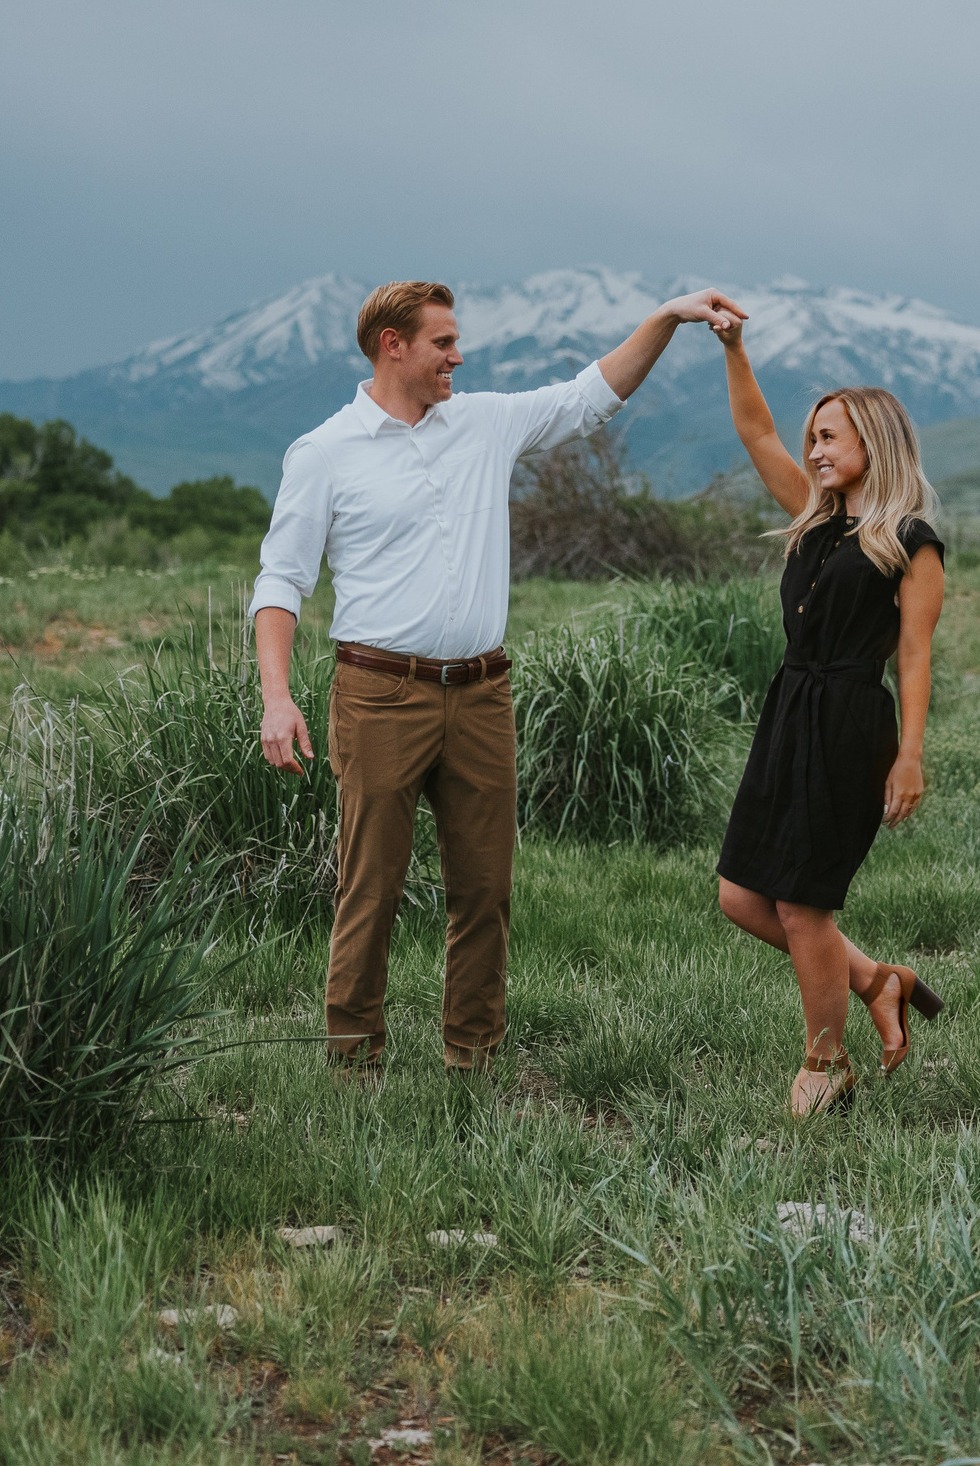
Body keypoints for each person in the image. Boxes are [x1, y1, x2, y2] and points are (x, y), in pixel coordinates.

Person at [251, 278, 744, 1074]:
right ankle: (352, 1063)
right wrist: (278, 699)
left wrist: (666, 319)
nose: (458, 355)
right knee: (370, 889)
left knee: (484, 890)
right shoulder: (324, 452)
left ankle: (472, 1058)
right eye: (444, 342)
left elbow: (591, 396)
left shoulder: (484, 423)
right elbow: (280, 582)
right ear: (393, 346)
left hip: (482, 694)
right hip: (376, 695)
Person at [712, 316, 949, 1116]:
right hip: (789, 709)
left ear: (874, 442)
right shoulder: (813, 516)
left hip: (850, 721)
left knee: (802, 903)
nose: (814, 451)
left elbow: (913, 655)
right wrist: (734, 349)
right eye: (812, 437)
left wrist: (909, 754)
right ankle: (881, 982)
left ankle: (826, 1064)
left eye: (830, 437)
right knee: (742, 897)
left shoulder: (911, 542)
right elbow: (755, 430)